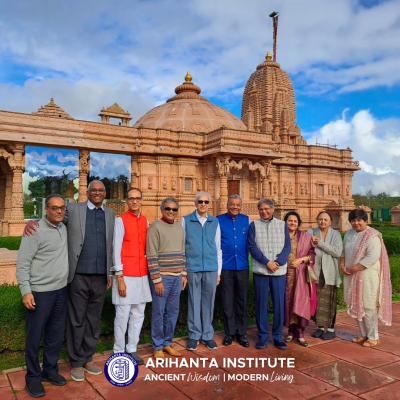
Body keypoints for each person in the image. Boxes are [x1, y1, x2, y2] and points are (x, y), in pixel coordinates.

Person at [17, 194, 69, 398]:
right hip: (40, 293)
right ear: (45, 209)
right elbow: (22, 263)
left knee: (55, 335)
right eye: (54, 208)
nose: (59, 211)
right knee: (34, 337)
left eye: (62, 208)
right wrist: (25, 290)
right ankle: (32, 377)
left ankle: (50, 370)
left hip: (61, 291)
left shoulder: (64, 228)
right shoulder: (34, 230)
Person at [341, 208, 392, 347]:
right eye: (353, 220)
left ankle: (373, 336)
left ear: (365, 220)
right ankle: (363, 334)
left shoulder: (372, 236)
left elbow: (372, 257)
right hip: (351, 275)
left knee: (368, 306)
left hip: (367, 276)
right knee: (356, 304)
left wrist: (353, 268)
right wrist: (342, 265)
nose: (356, 223)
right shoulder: (349, 234)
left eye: (359, 220)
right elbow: (343, 252)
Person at [112, 187, 151, 365]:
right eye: (131, 198)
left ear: (141, 200)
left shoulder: (145, 220)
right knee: (122, 314)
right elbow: (116, 249)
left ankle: (132, 348)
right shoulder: (120, 221)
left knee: (138, 313)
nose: (134, 201)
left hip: (142, 273)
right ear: (127, 201)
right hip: (125, 275)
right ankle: (118, 351)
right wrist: (119, 277)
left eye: (137, 198)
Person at [248, 198, 291, 350]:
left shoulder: (282, 225)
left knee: (279, 304)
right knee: (261, 305)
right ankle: (263, 336)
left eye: (267, 209)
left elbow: (287, 246)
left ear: (273, 209)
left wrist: (278, 262)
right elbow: (252, 246)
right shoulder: (254, 225)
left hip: (278, 272)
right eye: (261, 209)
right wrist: (267, 262)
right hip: (261, 271)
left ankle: (278, 336)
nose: (264, 212)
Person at [147, 197, 187, 358]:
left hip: (177, 278)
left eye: (174, 209)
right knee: (158, 312)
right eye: (168, 209)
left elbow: (183, 251)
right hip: (162, 278)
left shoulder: (179, 228)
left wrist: (184, 273)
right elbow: (151, 254)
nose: (171, 212)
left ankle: (167, 343)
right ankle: (157, 346)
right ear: (162, 210)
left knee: (172, 312)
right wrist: (156, 279)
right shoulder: (155, 227)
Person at [182, 191, 222, 351]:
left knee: (208, 302)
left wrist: (218, 272)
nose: (203, 204)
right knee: (194, 301)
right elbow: (182, 247)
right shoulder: (186, 221)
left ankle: (207, 335)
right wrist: (184, 270)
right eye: (200, 202)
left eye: (206, 202)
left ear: (209, 204)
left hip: (211, 268)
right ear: (195, 203)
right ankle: (193, 335)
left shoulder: (215, 222)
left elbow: (218, 248)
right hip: (193, 267)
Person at [217, 194, 250, 347]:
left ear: (240, 206)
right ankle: (229, 333)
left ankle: (241, 333)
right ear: (227, 205)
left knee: (242, 300)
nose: (235, 207)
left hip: (242, 266)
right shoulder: (219, 221)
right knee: (227, 301)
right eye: (232, 204)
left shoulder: (246, 220)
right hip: (226, 266)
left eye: (237, 204)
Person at [308, 211, 343, 340]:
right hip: (316, 271)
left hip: (330, 272)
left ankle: (331, 328)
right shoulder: (311, 232)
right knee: (317, 301)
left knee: (330, 301)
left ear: (330, 222)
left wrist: (320, 244)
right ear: (317, 220)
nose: (323, 222)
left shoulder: (336, 234)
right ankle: (320, 327)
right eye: (320, 219)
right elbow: (306, 247)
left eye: (325, 220)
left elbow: (337, 252)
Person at [283, 211, 315, 347]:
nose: (292, 223)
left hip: (300, 274)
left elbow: (312, 254)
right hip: (284, 275)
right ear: (285, 222)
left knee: (301, 302)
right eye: (290, 220)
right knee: (288, 302)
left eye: (295, 221)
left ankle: (300, 333)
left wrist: (301, 259)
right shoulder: (280, 236)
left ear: (298, 223)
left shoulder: (305, 236)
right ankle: (290, 331)